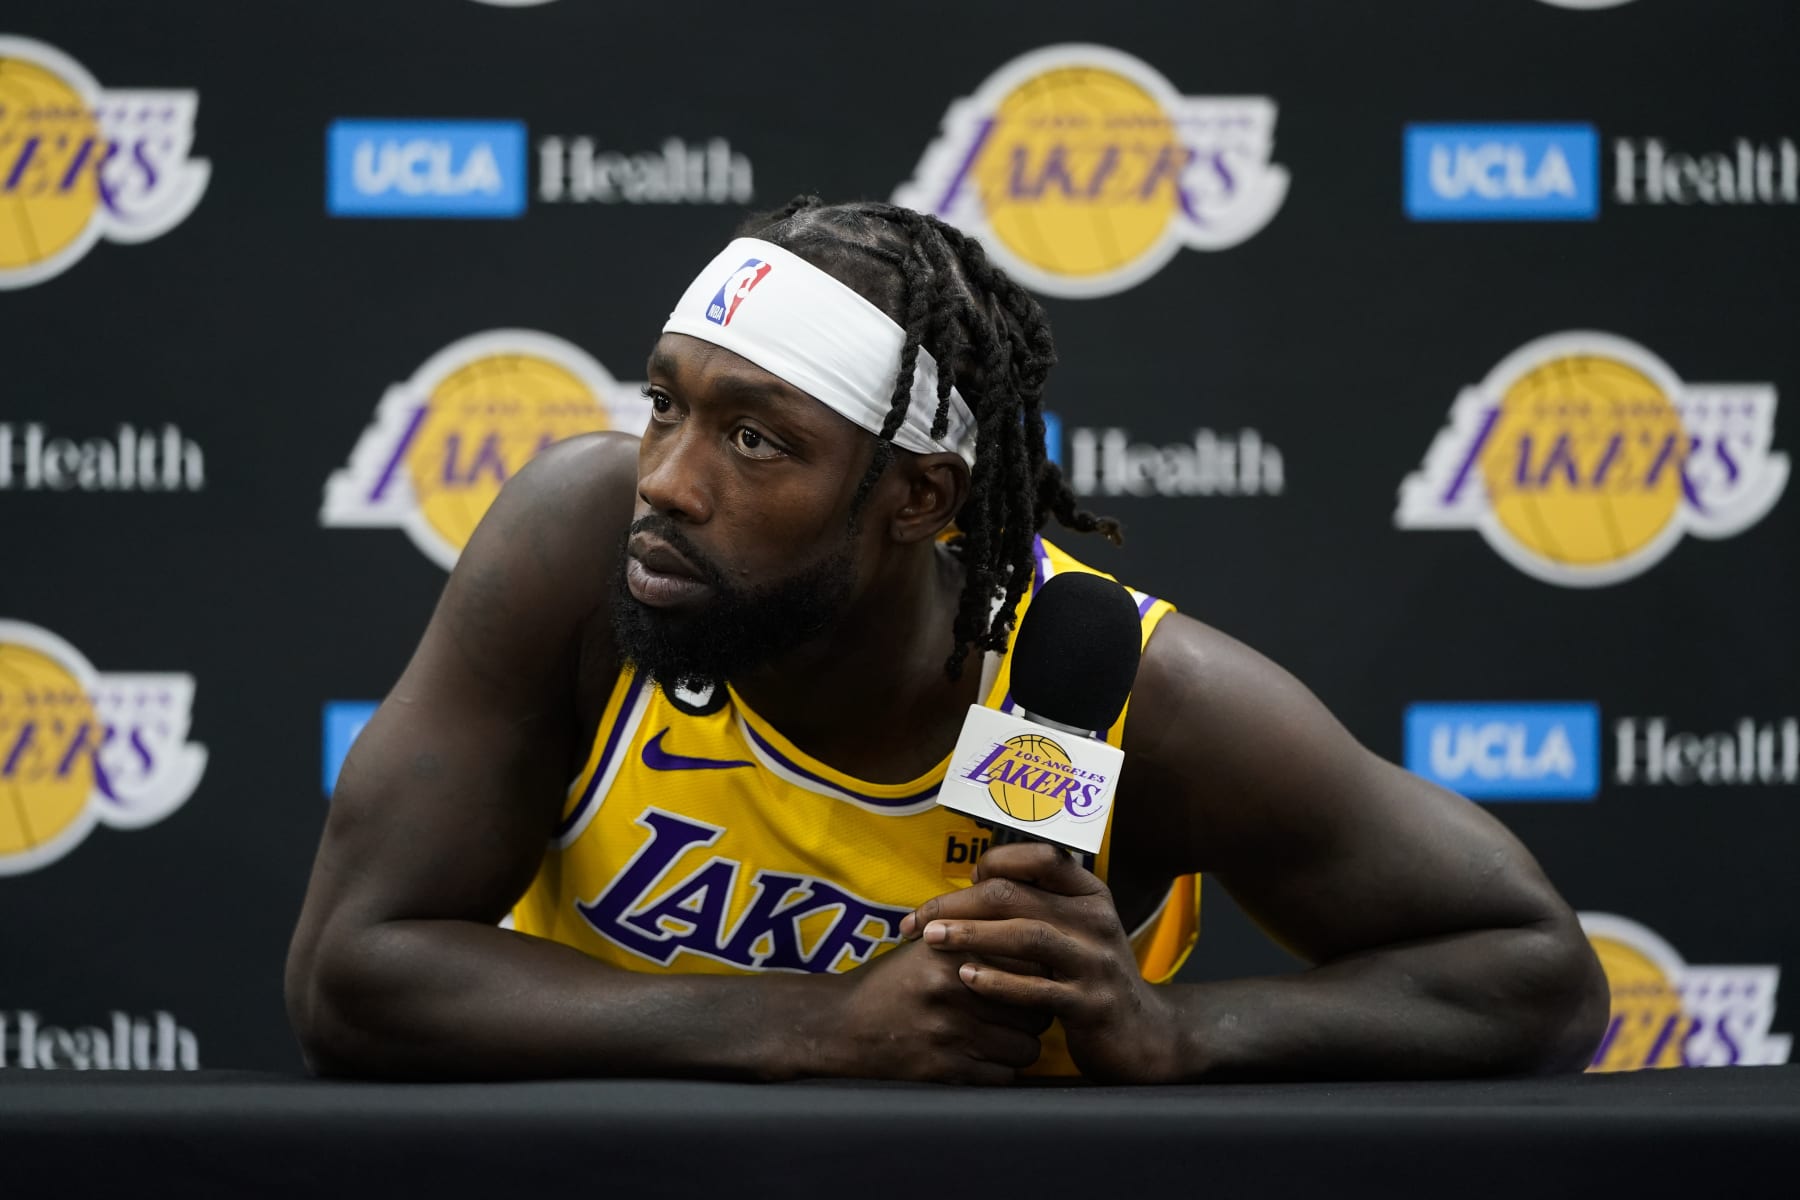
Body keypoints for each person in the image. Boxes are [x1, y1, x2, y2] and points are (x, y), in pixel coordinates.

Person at [285, 197, 1608, 1084]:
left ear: (919, 499)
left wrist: (1177, 1030)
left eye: (757, 440)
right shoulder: (574, 542)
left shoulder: (1122, 686)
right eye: (664, 407)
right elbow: (349, 973)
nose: (669, 482)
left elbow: (1538, 977)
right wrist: (818, 1029)